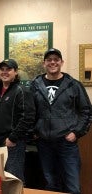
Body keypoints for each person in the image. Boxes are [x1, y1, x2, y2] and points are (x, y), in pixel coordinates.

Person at [30, 48, 91, 193]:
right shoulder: (35, 84)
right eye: (49, 60)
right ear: (44, 63)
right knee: (51, 185)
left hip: (67, 144)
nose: (52, 62)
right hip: (44, 143)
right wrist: (33, 131)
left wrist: (76, 132)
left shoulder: (73, 84)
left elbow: (86, 112)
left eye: (56, 59)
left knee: (73, 185)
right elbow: (29, 111)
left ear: (61, 62)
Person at [0, 58, 35, 182]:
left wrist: (13, 138)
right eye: (2, 69)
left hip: (12, 144)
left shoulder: (22, 91)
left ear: (16, 72)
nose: (5, 72)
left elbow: (27, 117)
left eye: (9, 69)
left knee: (12, 180)